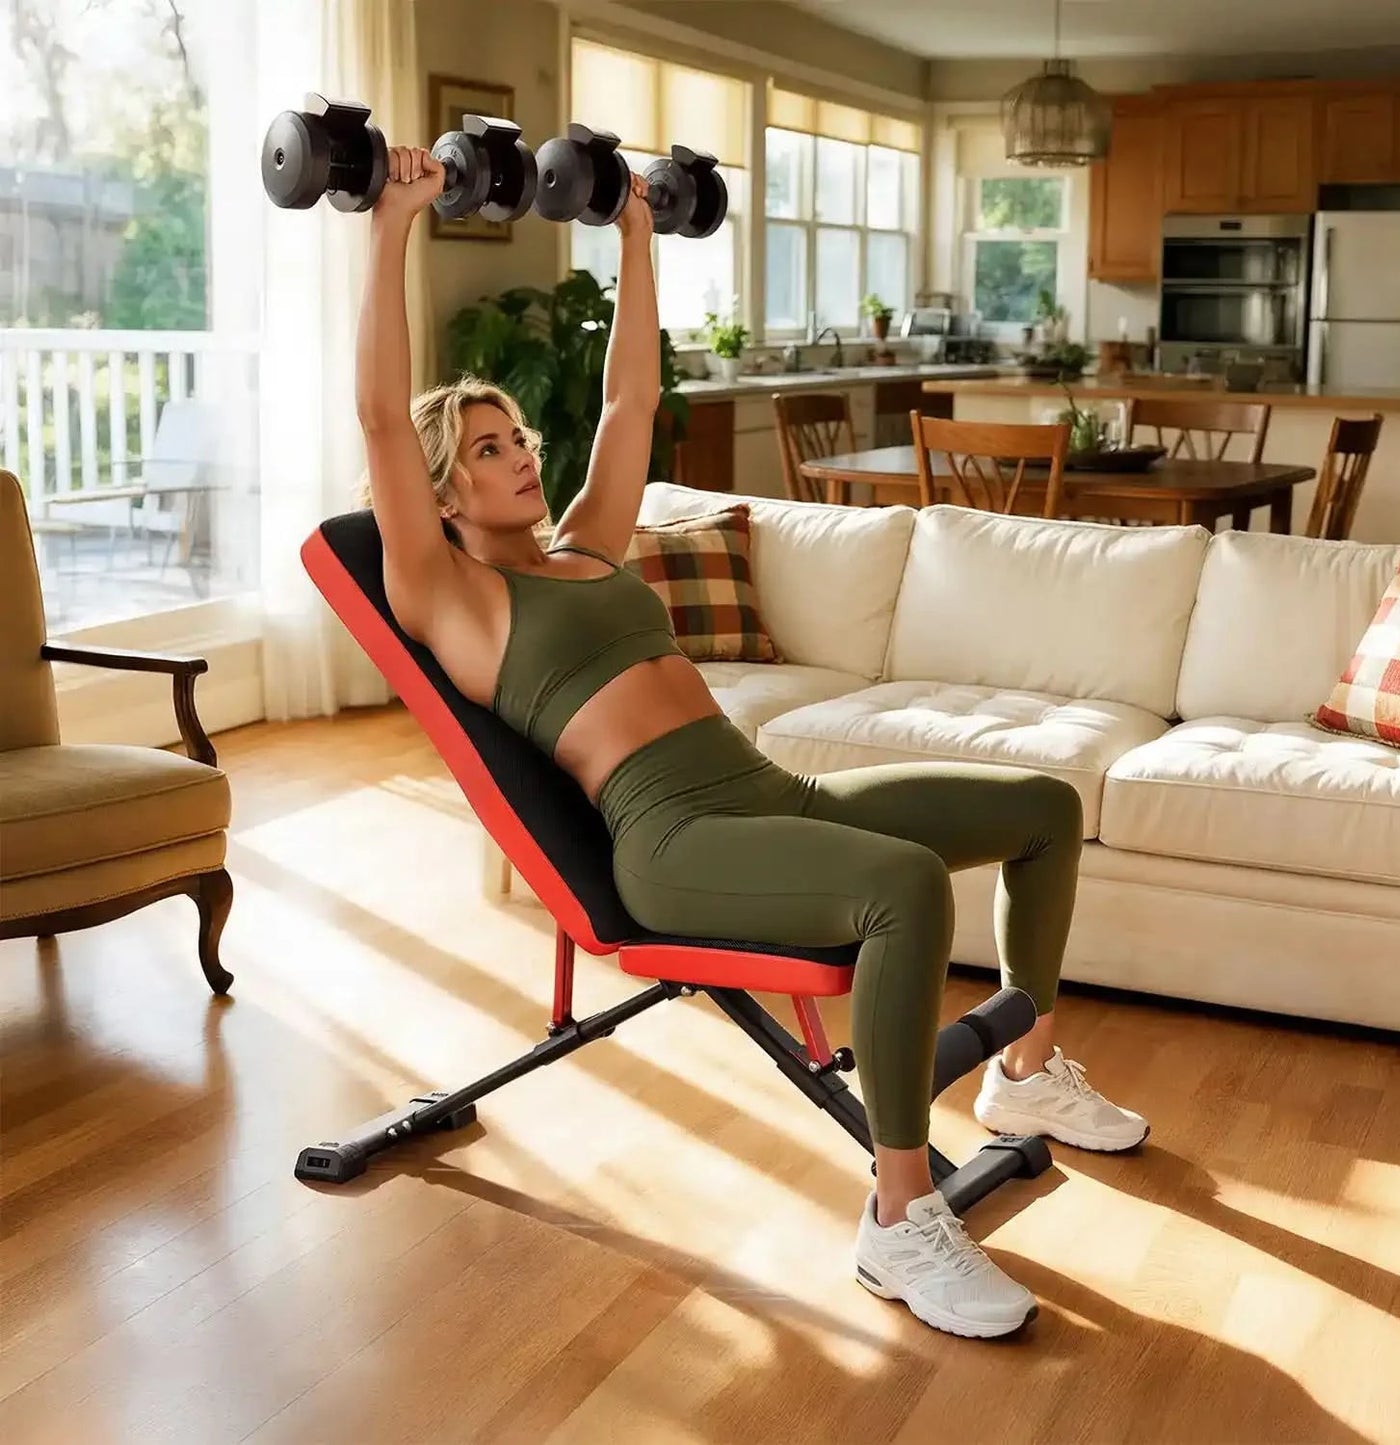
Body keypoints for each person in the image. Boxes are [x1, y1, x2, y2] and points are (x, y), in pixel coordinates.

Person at [356, 145, 1149, 1341]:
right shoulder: (451, 599)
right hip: (673, 836)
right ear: (442, 495)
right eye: (484, 447)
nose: (518, 451)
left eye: (514, 434)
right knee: (900, 882)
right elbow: (376, 412)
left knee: (1039, 803)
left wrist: (631, 228)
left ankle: (1023, 1070)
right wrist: (391, 222)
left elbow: (630, 403)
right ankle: (897, 1214)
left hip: (771, 791)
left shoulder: (586, 546)